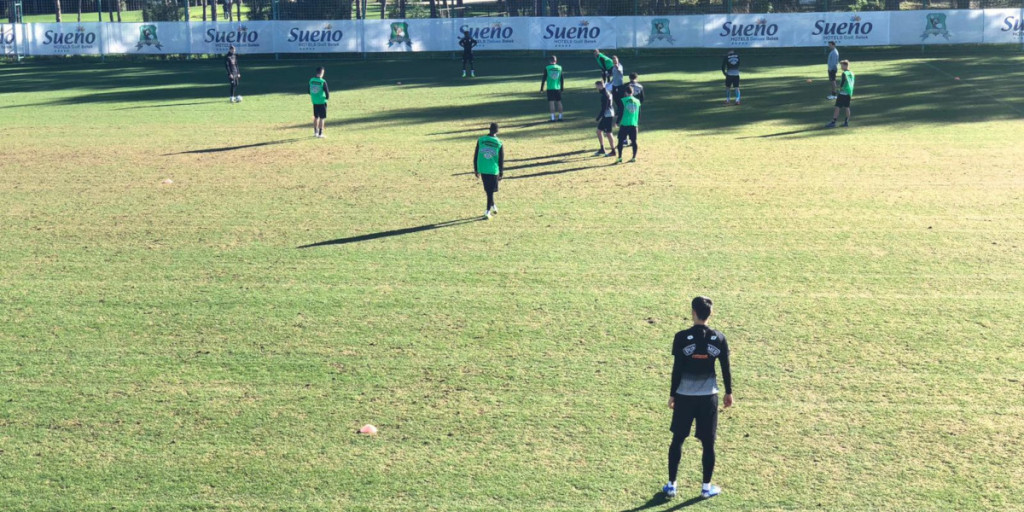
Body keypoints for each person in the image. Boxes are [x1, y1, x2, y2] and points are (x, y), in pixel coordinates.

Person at [662, 296, 733, 501]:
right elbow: (725, 368)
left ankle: (671, 485)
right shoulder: (719, 338)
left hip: (684, 397)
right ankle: (706, 488)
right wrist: (729, 392)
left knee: (677, 439)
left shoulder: (681, 337)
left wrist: (672, 394)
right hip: (708, 398)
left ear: (693, 312)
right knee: (708, 443)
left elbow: (677, 369)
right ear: (711, 313)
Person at [474, 123, 504, 220]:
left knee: (488, 190)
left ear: (489, 129)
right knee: (490, 191)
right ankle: (487, 211)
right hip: (493, 169)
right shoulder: (499, 143)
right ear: (497, 131)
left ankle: (493, 205)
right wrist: (501, 172)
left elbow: (476, 155)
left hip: (483, 168)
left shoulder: (481, 140)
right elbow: (501, 159)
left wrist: (476, 169)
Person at [615, 86, 641, 164]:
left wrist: (617, 122)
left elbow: (621, 112)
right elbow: (639, 113)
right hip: (634, 124)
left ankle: (620, 157)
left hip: (625, 123)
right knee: (634, 141)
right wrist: (637, 121)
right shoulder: (637, 101)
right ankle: (634, 157)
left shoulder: (623, 100)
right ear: (632, 92)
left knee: (620, 141)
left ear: (626, 92)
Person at [825, 60, 854, 128]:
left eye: (842, 66)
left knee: (837, 107)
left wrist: (839, 88)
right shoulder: (852, 73)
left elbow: (843, 81)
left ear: (846, 65)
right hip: (849, 93)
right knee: (847, 107)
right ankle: (846, 122)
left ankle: (833, 122)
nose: (841, 67)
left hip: (843, 92)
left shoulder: (844, 73)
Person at [594, 81, 616, 157]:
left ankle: (613, 151)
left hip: (608, 115)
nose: (596, 88)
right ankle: (602, 148)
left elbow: (605, 108)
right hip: (607, 114)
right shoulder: (606, 92)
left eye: (597, 86)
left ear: (600, 85)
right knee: (599, 131)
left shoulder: (605, 94)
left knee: (608, 133)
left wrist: (599, 117)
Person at [540, 56, 564, 122]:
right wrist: (562, 88)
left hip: (550, 88)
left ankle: (553, 118)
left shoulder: (547, 68)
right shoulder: (560, 67)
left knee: (551, 103)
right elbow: (562, 79)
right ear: (556, 61)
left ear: (549, 61)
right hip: (557, 88)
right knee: (559, 102)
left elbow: (544, 78)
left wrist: (541, 88)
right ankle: (560, 117)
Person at [309, 66, 330, 138]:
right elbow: (327, 94)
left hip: (314, 102)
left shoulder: (311, 80)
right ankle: (320, 133)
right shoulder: (323, 81)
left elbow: (309, 91)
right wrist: (326, 99)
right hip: (322, 101)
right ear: (322, 73)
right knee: (322, 118)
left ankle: (315, 132)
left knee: (316, 117)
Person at [610, 55, 626, 125]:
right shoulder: (613, 67)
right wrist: (611, 81)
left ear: (618, 59)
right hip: (614, 85)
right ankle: (619, 109)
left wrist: (616, 66)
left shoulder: (620, 66)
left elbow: (619, 70)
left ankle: (620, 110)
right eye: (613, 60)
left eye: (615, 59)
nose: (614, 61)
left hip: (620, 85)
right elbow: (614, 76)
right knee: (615, 98)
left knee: (621, 98)